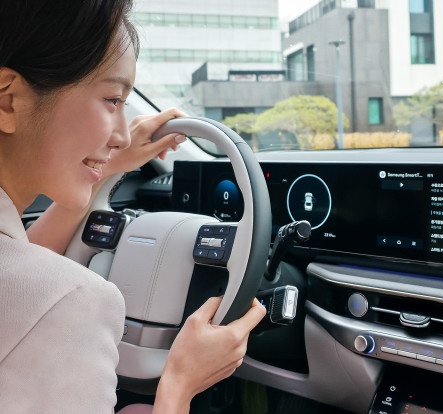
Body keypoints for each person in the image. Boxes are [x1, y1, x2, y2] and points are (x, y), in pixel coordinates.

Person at [0, 1, 266, 413]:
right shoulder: (75, 302)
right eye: (112, 99)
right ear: (8, 100)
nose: (123, 136)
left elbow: (21, 271)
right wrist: (180, 383)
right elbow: (35, 289)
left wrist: (103, 169)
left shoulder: (36, 288)